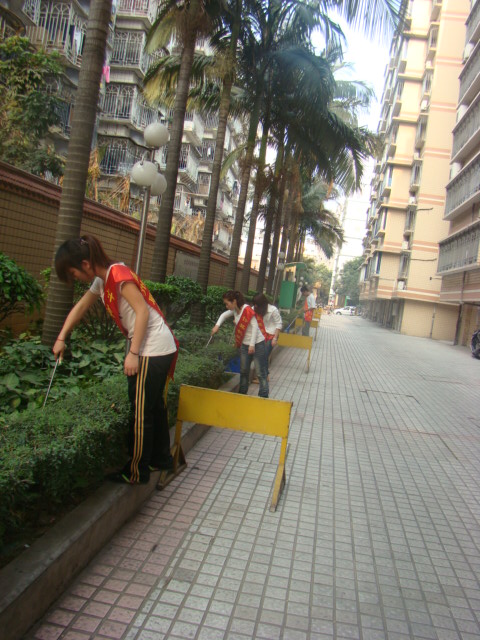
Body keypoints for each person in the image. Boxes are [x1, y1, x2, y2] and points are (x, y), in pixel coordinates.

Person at [53, 235, 179, 485]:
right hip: (158, 347)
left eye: (73, 273)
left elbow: (142, 311)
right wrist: (61, 336)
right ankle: (160, 459)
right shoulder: (102, 280)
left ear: (85, 264)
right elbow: (81, 307)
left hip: (151, 349)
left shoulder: (118, 275)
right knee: (153, 406)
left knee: (140, 412)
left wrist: (133, 353)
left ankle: (136, 472)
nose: (75, 278)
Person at [211, 290, 268, 398]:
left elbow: (255, 327)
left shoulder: (247, 310)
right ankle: (242, 395)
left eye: (227, 303)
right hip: (244, 345)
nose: (226, 306)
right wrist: (217, 326)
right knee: (244, 371)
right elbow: (223, 315)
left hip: (257, 343)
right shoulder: (234, 310)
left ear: (234, 301)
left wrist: (252, 345)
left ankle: (264, 396)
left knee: (260, 372)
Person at [252, 293, 283, 376]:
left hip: (271, 335)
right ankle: (264, 374)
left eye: (257, 304)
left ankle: (263, 375)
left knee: (264, 355)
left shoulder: (273, 310)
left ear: (262, 303)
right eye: (254, 304)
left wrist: (275, 339)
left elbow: (279, 324)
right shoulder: (255, 308)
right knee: (261, 355)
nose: (255, 306)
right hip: (260, 335)